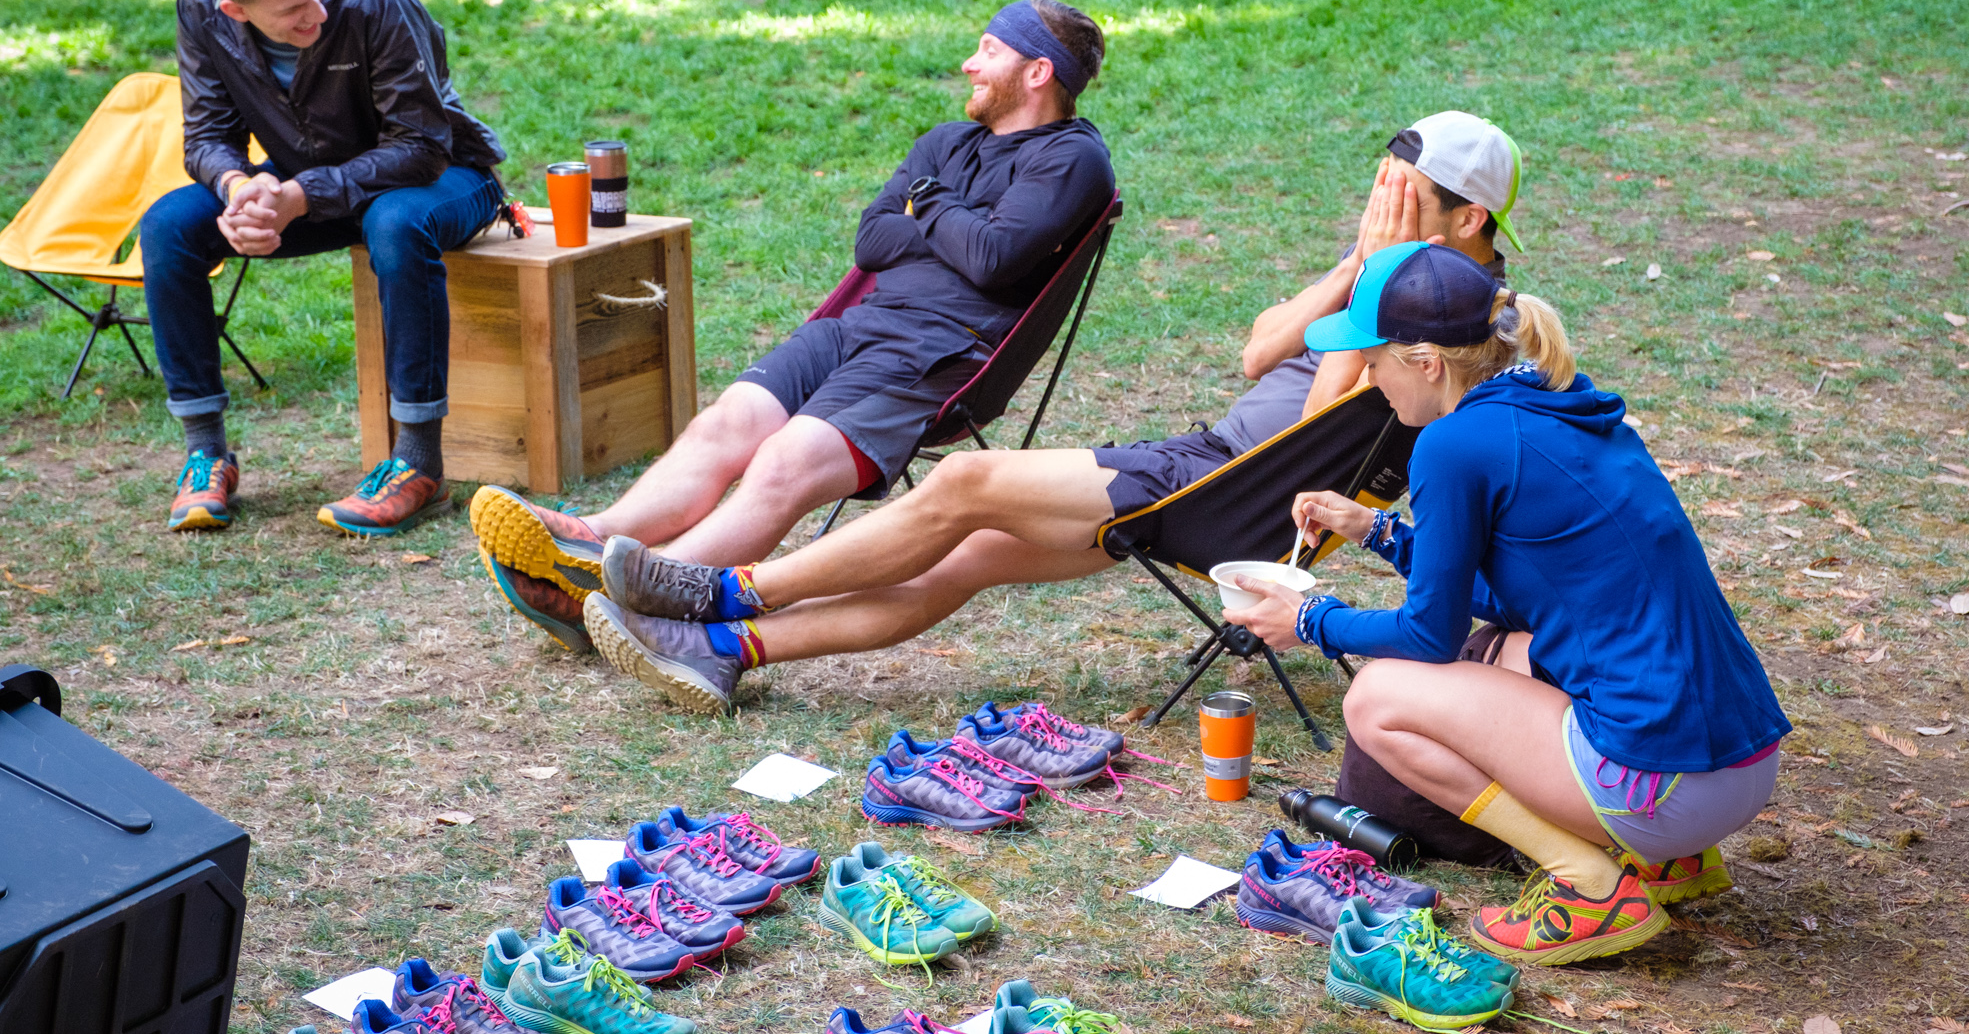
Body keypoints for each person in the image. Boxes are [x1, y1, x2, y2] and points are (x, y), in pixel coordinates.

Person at [473, 114, 1528, 718]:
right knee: (967, 557)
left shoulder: (1458, 319)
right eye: (1381, 187)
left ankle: (720, 590)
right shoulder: (1389, 269)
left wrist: (1376, 279)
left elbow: (1324, 427)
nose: (1382, 205)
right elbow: (1259, 351)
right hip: (1215, 460)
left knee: (967, 481)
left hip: (1249, 498)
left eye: (1403, 194)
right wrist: (1355, 265)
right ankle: (727, 651)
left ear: (1467, 215)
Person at [1224, 241, 1790, 969]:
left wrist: (1309, 620)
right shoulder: (1559, 402)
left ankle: (1588, 881)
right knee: (1504, 647)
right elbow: (1530, 596)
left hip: (1665, 788)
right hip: (1741, 762)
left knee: (1375, 699)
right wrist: (1378, 531)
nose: (1368, 380)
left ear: (1427, 362)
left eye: (1372, 361)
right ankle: (1673, 861)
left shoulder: (1451, 443)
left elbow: (1430, 634)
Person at [471, 0, 1114, 629]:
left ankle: (628, 600)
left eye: (989, 51)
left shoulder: (1071, 158)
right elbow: (873, 241)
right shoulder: (946, 143)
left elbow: (993, 259)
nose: (969, 64)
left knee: (786, 461)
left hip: (940, 354)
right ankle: (588, 538)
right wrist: (959, 226)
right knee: (725, 423)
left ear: (1038, 71)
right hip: (858, 326)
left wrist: (929, 203)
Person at [145, 0, 505, 537]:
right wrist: (240, 190)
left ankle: (419, 465)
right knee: (168, 226)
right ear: (236, 12)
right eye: (293, 12)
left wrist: (299, 195)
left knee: (394, 223)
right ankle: (206, 453)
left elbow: (422, 145)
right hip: (310, 184)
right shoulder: (202, 8)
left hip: (442, 177)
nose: (318, 11)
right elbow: (206, 136)